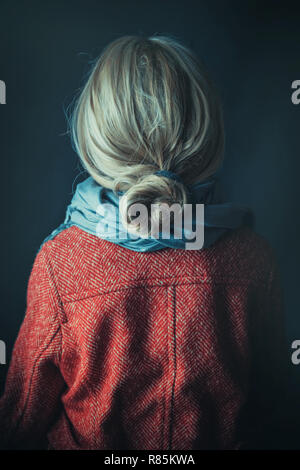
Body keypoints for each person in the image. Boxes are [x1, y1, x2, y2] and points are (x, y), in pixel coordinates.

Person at [0, 34, 290, 450]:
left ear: (97, 135)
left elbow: (19, 421)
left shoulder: (61, 264)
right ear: (207, 131)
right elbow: (277, 412)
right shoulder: (253, 261)